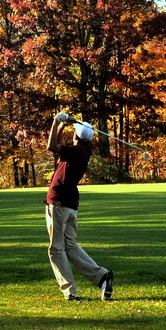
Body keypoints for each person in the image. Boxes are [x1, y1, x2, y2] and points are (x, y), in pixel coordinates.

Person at [45, 112, 114, 301]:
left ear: (76, 136)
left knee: (56, 249)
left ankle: (69, 291)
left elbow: (51, 146)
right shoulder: (83, 150)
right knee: (70, 246)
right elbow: (58, 145)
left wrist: (55, 122)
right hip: (69, 204)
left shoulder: (75, 151)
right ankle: (102, 276)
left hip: (59, 202)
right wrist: (62, 126)